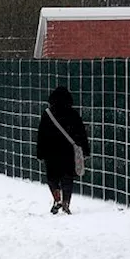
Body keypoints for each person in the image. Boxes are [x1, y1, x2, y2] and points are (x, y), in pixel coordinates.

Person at [36, 85, 92, 215]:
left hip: (51, 152)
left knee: (52, 176)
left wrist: (40, 152)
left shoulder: (47, 114)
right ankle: (66, 201)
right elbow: (81, 133)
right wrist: (85, 150)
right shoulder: (73, 114)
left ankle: (56, 195)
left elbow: (41, 134)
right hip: (67, 152)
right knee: (67, 177)